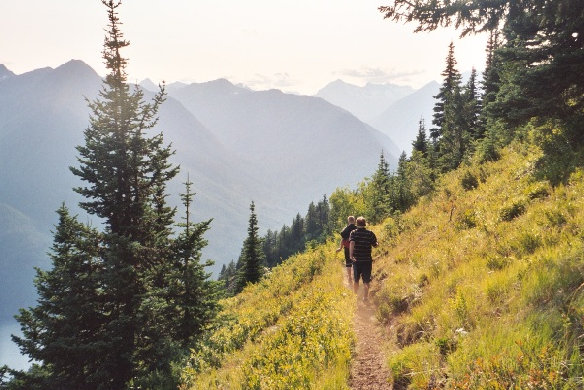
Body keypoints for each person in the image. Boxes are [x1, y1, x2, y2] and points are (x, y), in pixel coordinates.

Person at [349, 216, 378, 302]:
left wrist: (351, 256)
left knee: (356, 279)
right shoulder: (370, 233)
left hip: (356, 260)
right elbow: (375, 245)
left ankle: (355, 296)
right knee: (366, 280)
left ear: (356, 224)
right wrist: (377, 243)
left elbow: (352, 243)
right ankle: (365, 297)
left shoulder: (353, 232)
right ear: (365, 224)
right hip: (367, 260)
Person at [336, 216, 357, 284]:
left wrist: (340, 248)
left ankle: (349, 278)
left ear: (348, 221)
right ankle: (356, 277)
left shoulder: (345, 230)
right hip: (356, 248)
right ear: (354, 220)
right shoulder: (357, 228)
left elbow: (342, 239)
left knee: (348, 263)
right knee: (355, 262)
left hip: (347, 248)